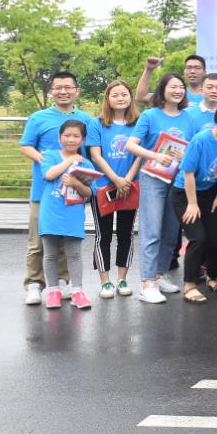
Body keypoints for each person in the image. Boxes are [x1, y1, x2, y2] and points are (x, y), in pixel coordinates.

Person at [17, 71, 94, 305]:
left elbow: (90, 153)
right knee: (38, 241)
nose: (63, 91)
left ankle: (61, 281)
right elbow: (26, 146)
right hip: (43, 189)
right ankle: (34, 283)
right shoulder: (38, 117)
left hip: (72, 192)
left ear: (76, 91)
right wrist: (48, 161)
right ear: (51, 91)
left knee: (66, 240)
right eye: (58, 87)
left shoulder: (86, 119)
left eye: (68, 87)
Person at [125, 73, 194, 304]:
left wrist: (186, 156)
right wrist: (156, 156)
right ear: (162, 90)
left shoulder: (189, 117)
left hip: (178, 180)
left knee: (171, 231)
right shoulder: (150, 115)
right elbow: (131, 145)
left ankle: (159, 275)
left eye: (181, 87)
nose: (178, 90)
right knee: (152, 230)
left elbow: (193, 148)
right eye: (173, 86)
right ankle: (147, 283)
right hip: (153, 178)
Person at [172, 101, 217, 304]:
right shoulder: (201, 140)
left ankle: (212, 277)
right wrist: (192, 203)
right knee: (199, 238)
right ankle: (189, 285)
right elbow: (188, 173)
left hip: (210, 193)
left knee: (216, 237)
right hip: (185, 193)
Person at [86, 80, 141, 299]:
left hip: (130, 186)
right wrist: (116, 179)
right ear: (107, 98)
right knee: (103, 235)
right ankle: (105, 281)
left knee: (126, 234)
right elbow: (95, 155)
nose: (120, 98)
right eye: (115, 94)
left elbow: (140, 154)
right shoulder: (97, 124)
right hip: (103, 187)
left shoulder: (139, 122)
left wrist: (126, 180)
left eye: (124, 94)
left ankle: (122, 279)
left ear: (130, 97)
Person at [35, 120, 96, 310]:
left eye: (76, 136)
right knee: (50, 254)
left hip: (73, 213)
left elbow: (89, 192)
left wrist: (75, 183)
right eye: (67, 135)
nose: (71, 139)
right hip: (51, 212)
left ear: (83, 139)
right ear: (59, 137)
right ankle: (53, 291)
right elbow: (49, 174)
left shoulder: (86, 163)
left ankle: (77, 291)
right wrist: (69, 161)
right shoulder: (50, 156)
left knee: (74, 254)